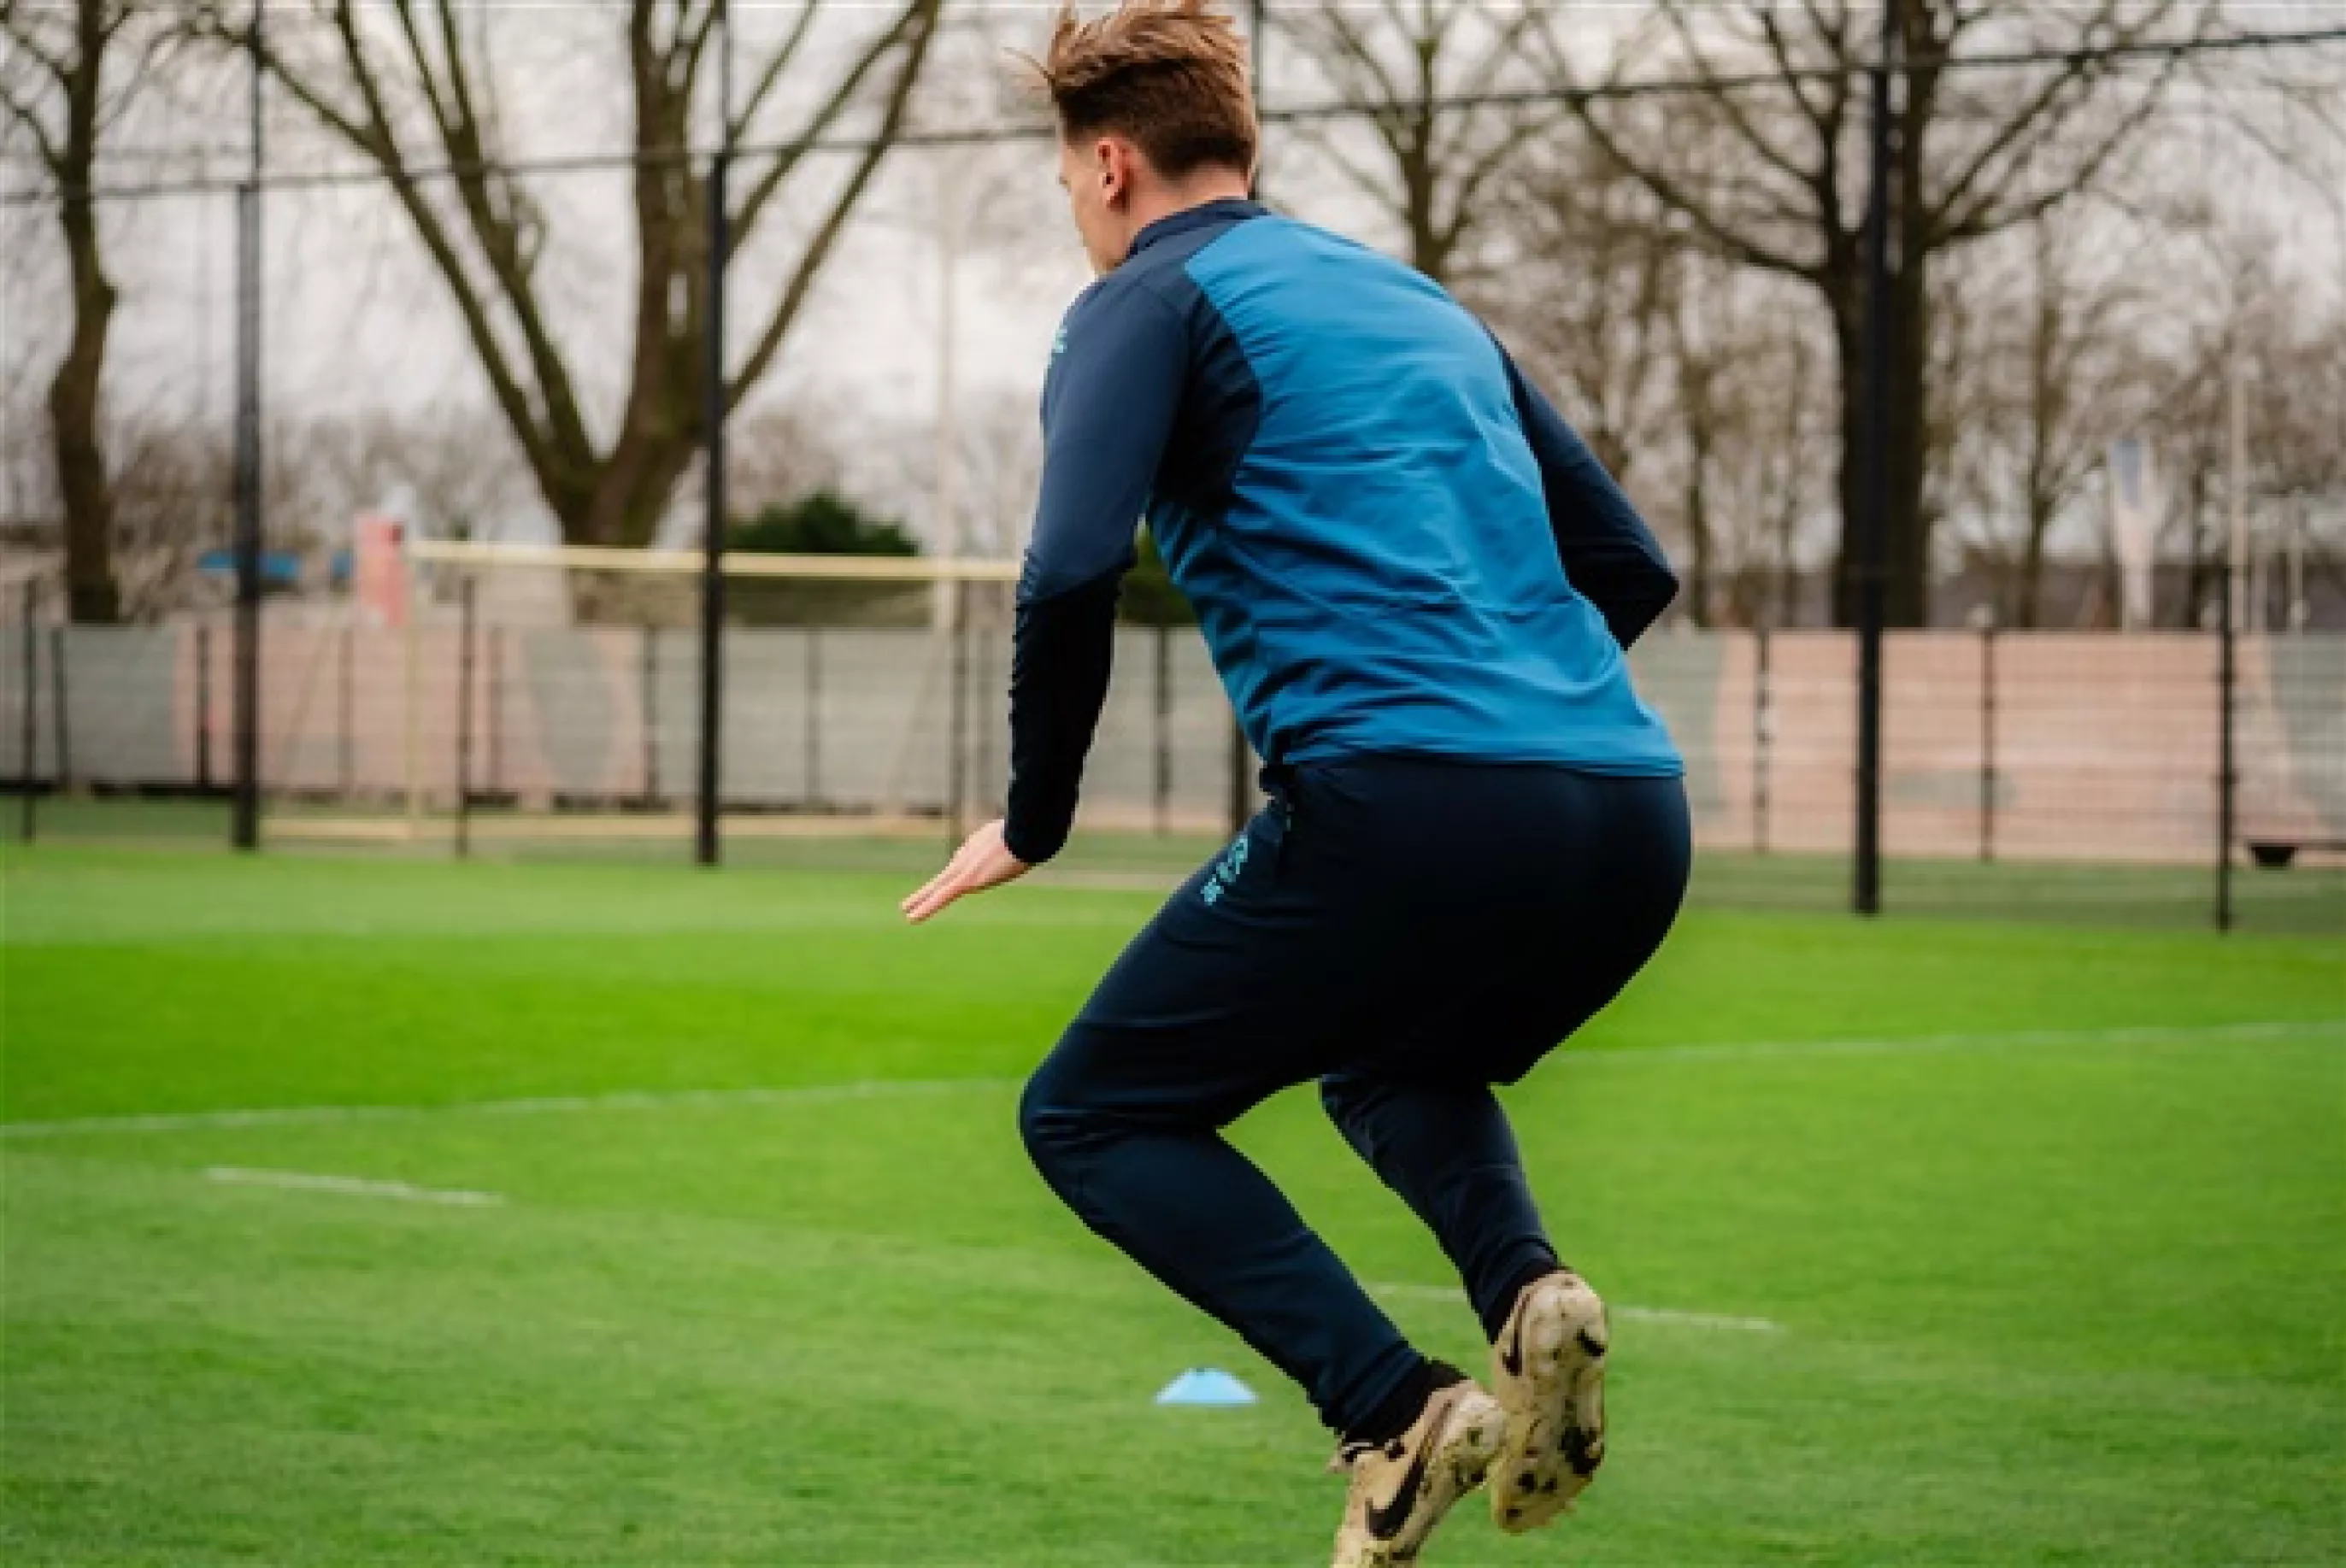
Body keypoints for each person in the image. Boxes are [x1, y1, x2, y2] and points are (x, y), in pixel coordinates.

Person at [901, 3, 1690, 1562]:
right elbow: (1630, 565)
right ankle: (1533, 1296)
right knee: (1389, 1058)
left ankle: (1395, 1407)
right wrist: (1506, 705)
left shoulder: (1145, 300)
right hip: (1630, 812)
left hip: (1412, 804)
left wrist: (1037, 817)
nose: (1080, 216)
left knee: (1090, 1114)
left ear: (1111, 164)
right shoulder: (1417, 302)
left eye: (1071, 188)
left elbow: (1066, 572)